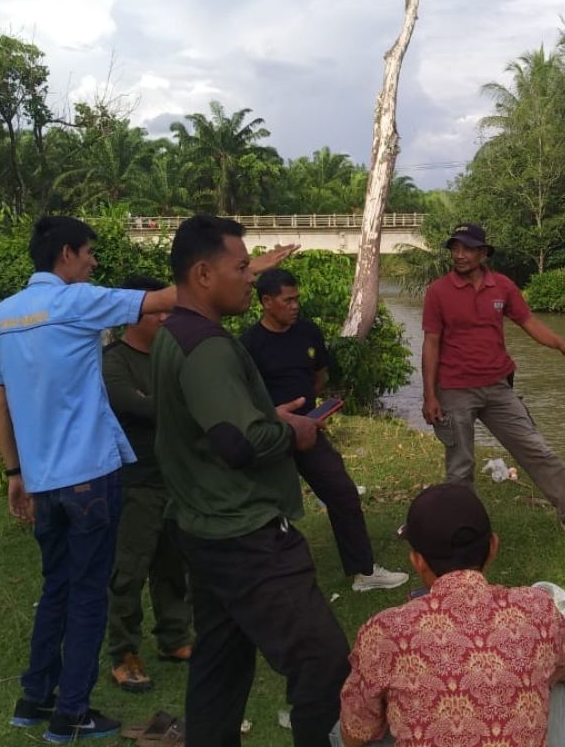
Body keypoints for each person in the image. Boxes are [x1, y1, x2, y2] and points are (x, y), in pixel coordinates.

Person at [151, 215, 349, 747]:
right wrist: (295, 435)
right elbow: (237, 444)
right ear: (203, 274)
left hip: (201, 527)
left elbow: (214, 422)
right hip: (244, 533)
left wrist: (267, 416)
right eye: (241, 267)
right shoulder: (208, 345)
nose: (250, 277)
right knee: (325, 661)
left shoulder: (173, 333)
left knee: (221, 660)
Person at [0, 215, 176, 743]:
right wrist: (244, 269)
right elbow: (163, 300)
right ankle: (72, 713)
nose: (93, 261)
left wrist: (14, 472)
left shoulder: (1, 316)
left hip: (43, 481)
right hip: (91, 477)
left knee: (57, 589)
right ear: (66, 254)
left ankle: (35, 698)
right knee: (89, 594)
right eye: (89, 251)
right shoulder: (78, 301)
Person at [335, 483, 565, 747]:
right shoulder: (538, 607)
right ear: (493, 546)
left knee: (346, 725)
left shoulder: (384, 632)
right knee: (560, 684)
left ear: (417, 561)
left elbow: (354, 735)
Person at [421, 223, 565, 539]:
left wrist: (562, 345)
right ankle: (463, 530)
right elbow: (431, 343)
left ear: (483, 253)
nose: (460, 255)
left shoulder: (503, 287)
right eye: (455, 248)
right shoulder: (438, 292)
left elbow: (528, 321)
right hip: (453, 389)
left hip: (497, 386)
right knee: (460, 466)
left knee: (536, 449)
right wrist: (430, 395)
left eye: (467, 248)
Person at [239, 268, 408, 592]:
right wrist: (277, 418)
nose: (294, 306)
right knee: (270, 507)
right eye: (287, 301)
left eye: (296, 299)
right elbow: (242, 397)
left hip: (311, 431)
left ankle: (364, 571)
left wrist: (313, 412)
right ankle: (266, 579)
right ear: (266, 302)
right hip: (272, 434)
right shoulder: (249, 345)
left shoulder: (307, 332)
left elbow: (320, 375)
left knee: (342, 492)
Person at [103, 275, 192, 693]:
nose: (164, 318)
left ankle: (173, 638)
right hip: (134, 481)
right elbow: (136, 406)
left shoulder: (171, 355)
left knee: (173, 565)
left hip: (174, 476)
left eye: (169, 310)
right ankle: (123, 653)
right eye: (157, 310)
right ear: (131, 314)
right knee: (129, 570)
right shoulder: (113, 361)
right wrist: (178, 404)